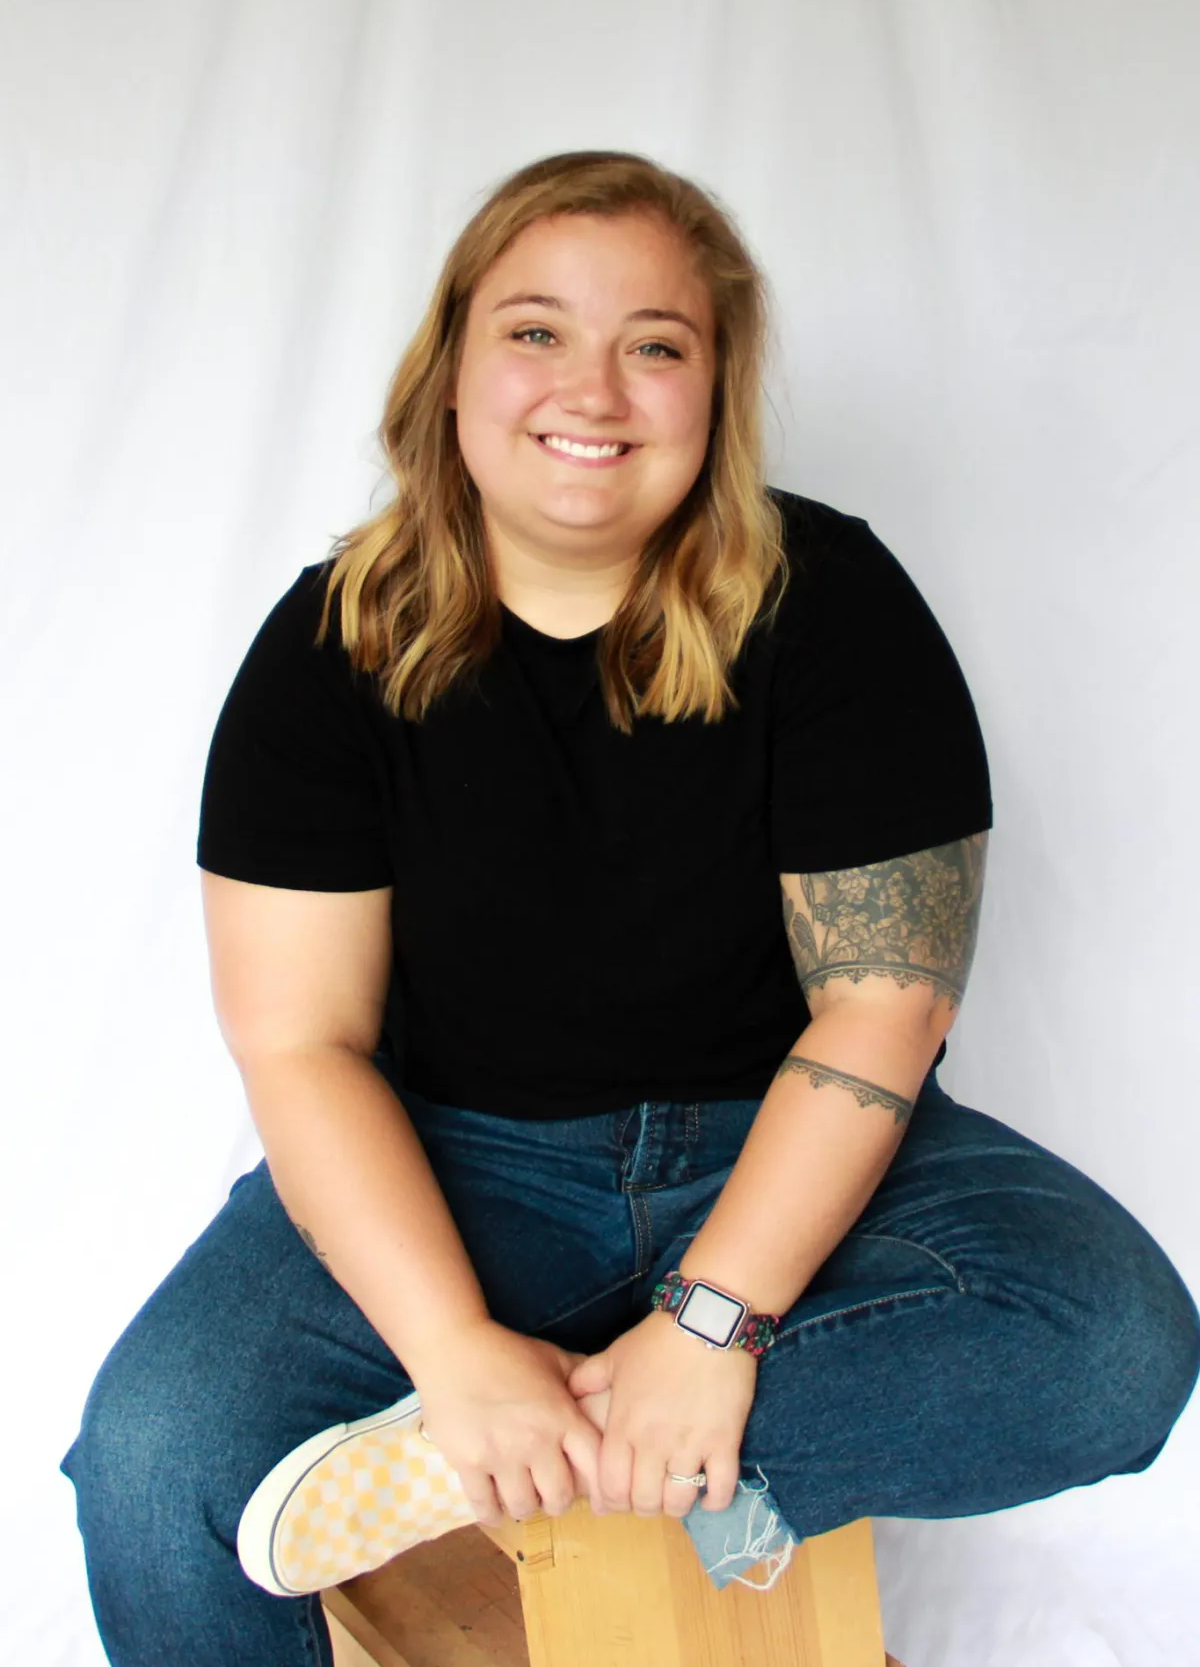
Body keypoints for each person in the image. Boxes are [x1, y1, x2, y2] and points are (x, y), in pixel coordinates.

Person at [62, 150, 1200, 1667]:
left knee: (1114, 1348)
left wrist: (710, 1331)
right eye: (536, 330)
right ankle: (522, 1433)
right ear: (450, 368)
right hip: (458, 1160)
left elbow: (888, 1002)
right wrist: (459, 1347)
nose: (592, 389)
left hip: (778, 1134)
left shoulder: (836, 602)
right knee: (155, 1470)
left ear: (715, 392)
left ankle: (453, 1468)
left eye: (655, 345)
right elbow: (301, 1043)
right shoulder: (332, 645)